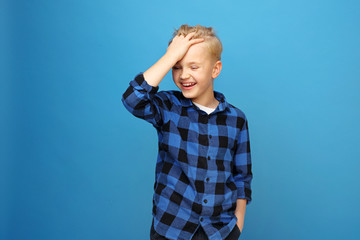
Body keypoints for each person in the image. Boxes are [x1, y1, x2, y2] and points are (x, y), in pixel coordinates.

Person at [122, 24, 253, 240]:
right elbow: (133, 99)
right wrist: (170, 55)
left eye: (194, 67)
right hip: (171, 228)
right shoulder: (167, 106)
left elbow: (242, 176)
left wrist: (237, 225)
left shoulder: (236, 119)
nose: (184, 75)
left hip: (220, 232)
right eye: (177, 66)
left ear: (215, 69)